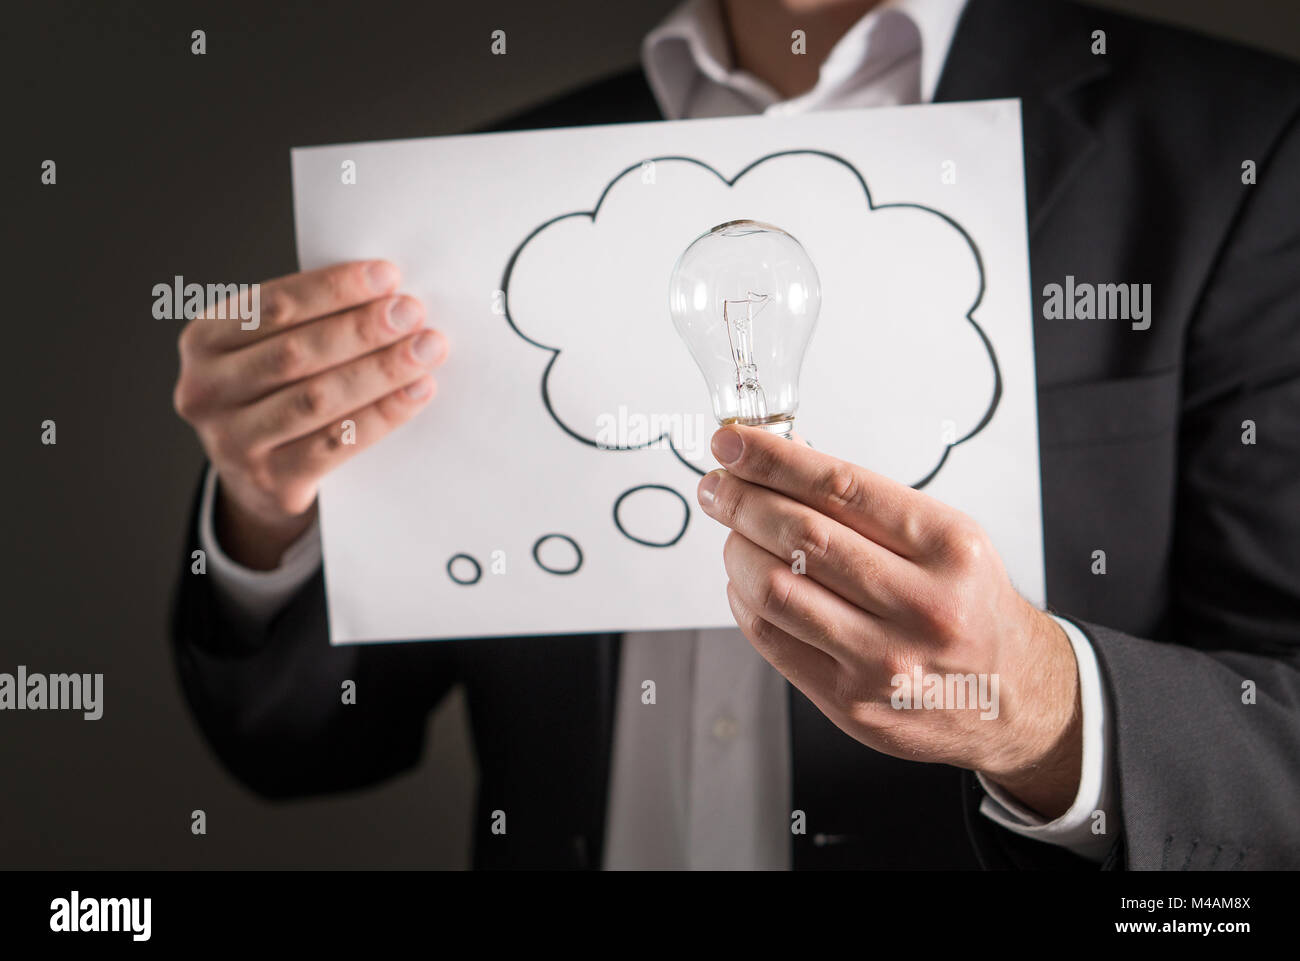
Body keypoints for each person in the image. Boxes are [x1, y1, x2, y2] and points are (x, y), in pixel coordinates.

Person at [170, 0, 1300, 869]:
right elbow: (308, 749)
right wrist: (271, 516)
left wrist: (1043, 707)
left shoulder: (1239, 150)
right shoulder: (492, 189)